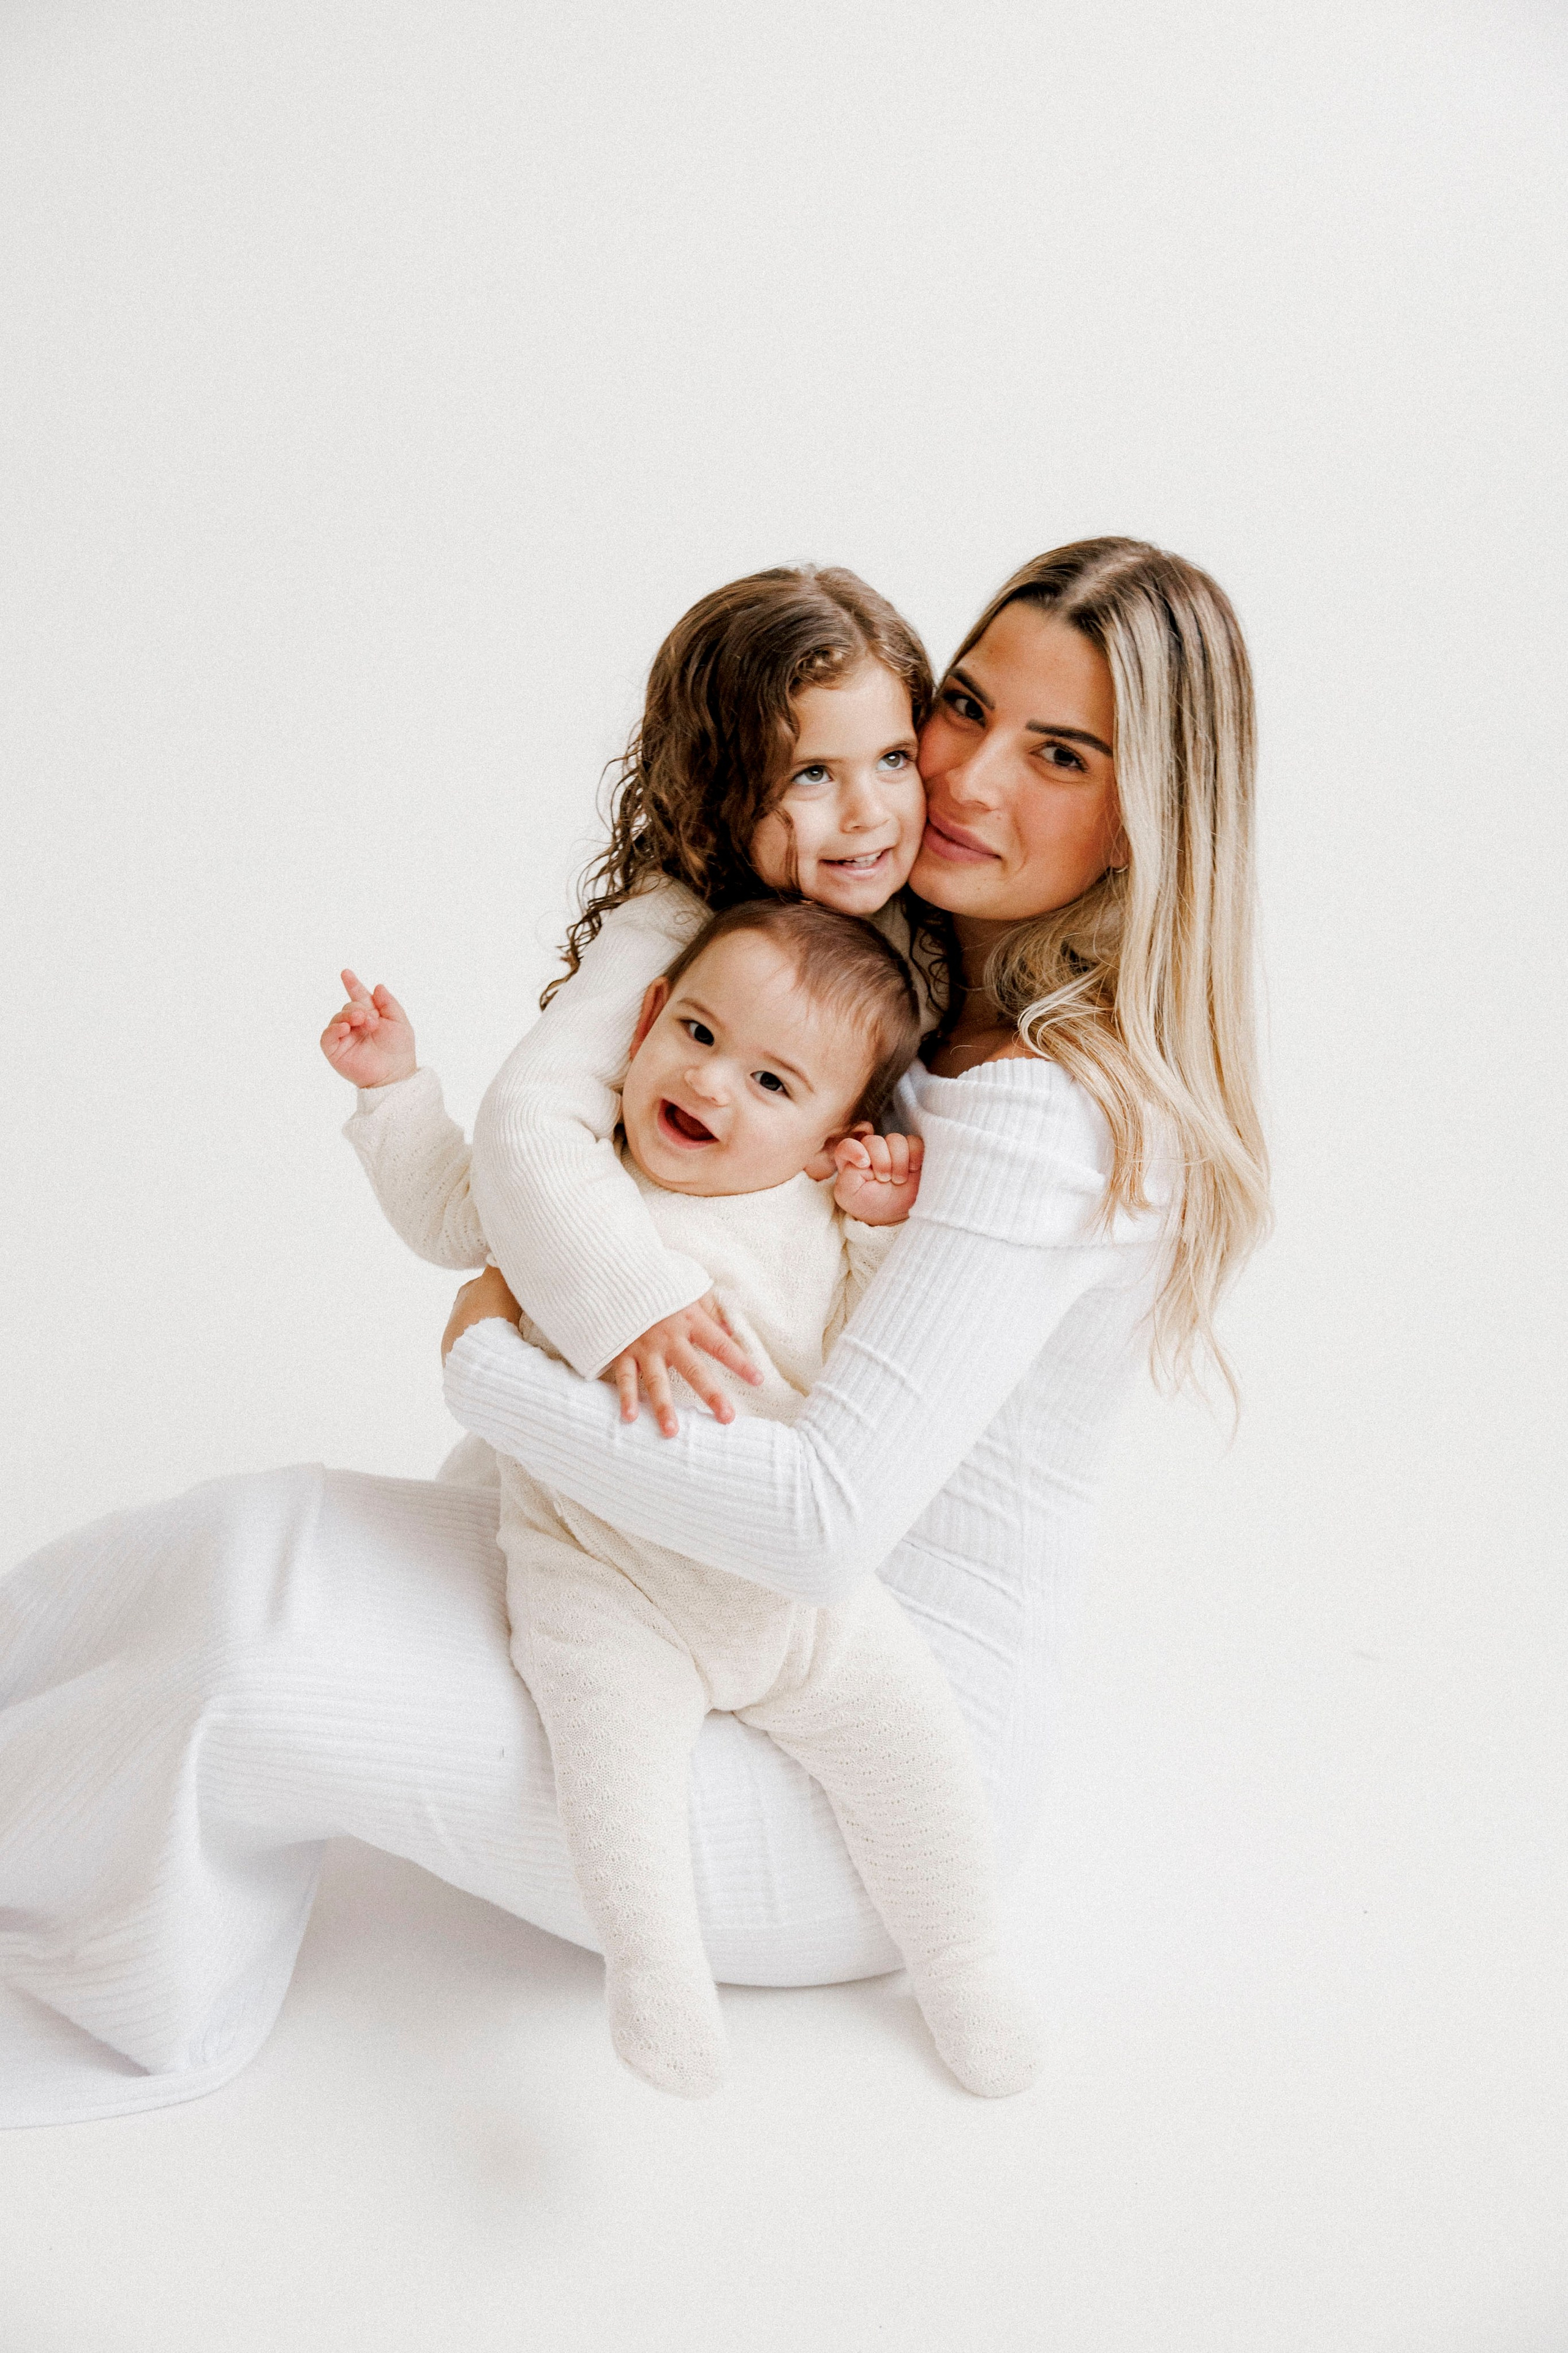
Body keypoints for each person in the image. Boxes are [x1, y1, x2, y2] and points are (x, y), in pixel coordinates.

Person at [0, 538, 1266, 2128]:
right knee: (235, 1540)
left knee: (257, 1640)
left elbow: (820, 1529)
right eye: (964, 704)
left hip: (843, 1781)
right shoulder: (895, 980)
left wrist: (490, 1365)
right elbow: (567, 1136)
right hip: (671, 1569)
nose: (959, 773)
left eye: (1060, 753)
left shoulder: (1034, 1117)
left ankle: (95, 1953)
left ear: (1148, 816)